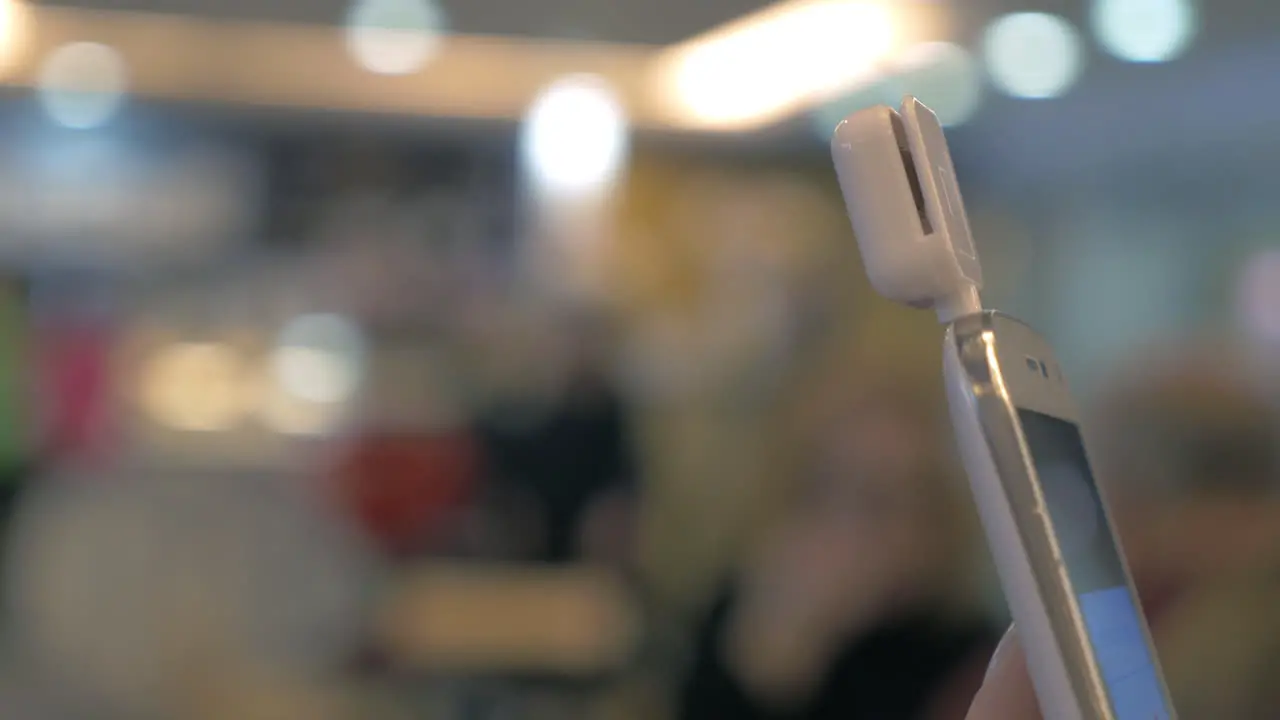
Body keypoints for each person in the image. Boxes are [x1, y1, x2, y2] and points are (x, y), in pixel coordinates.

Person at [679, 379, 1000, 720]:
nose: (852, 528)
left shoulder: (973, 667)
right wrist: (770, 659)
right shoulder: (744, 606)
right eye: (829, 487)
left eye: (884, 501)